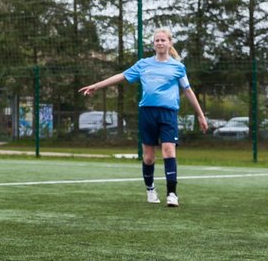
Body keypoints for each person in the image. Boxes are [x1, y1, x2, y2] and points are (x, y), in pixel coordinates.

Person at [79, 28, 208, 207]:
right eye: (157, 40)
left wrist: (200, 115)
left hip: (168, 113)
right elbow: (121, 76)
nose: (160, 43)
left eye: (163, 40)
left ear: (170, 43)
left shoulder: (178, 67)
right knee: (148, 157)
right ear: (153, 44)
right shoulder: (143, 64)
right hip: (147, 113)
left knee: (169, 150)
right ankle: (150, 190)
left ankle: (172, 194)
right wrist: (97, 86)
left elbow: (188, 91)